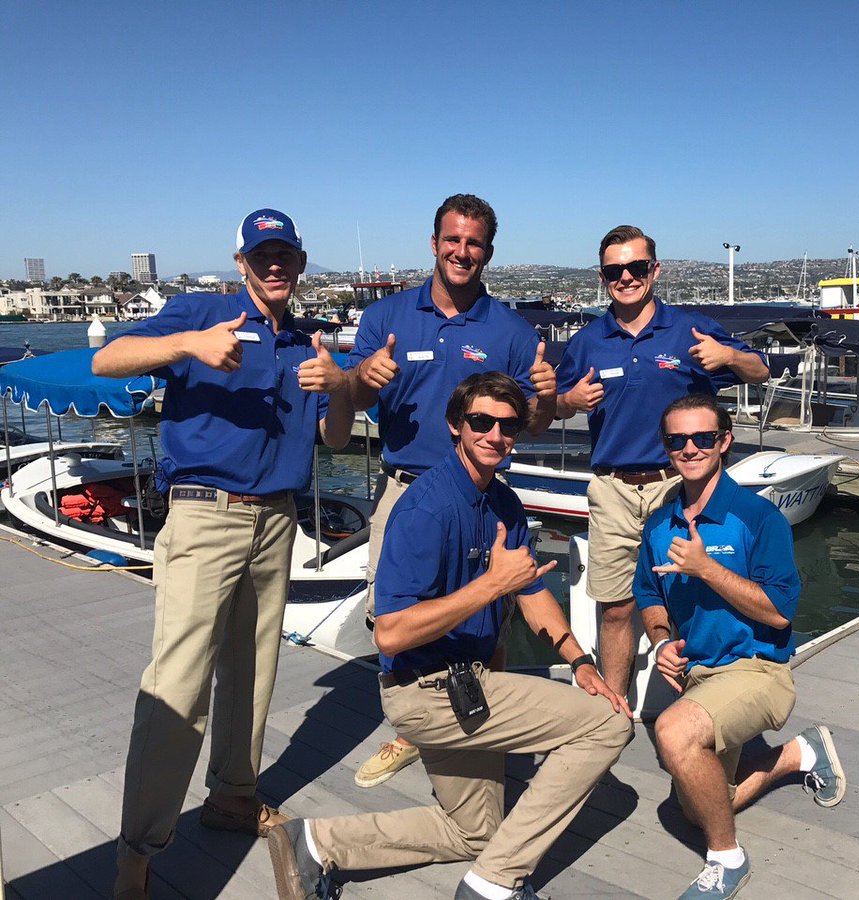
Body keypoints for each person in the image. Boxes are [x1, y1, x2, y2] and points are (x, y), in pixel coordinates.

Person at [268, 372, 632, 900]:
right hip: (427, 693)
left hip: (469, 685)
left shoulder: (503, 502)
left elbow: (528, 590)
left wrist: (579, 660)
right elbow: (390, 635)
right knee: (605, 725)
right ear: (455, 427)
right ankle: (496, 884)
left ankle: (318, 842)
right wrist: (489, 587)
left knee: (477, 832)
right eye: (480, 422)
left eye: (507, 426)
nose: (494, 435)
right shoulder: (425, 509)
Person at [96, 209, 354, 900]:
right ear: (242, 263)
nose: (275, 266)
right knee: (178, 686)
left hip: (277, 520)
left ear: (300, 265)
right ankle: (137, 852)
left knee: (252, 673)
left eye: (286, 256)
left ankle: (233, 796)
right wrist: (189, 345)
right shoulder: (201, 311)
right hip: (205, 516)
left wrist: (341, 391)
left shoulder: (308, 341)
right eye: (262, 255)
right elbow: (105, 359)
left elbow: (333, 438)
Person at [347, 193, 556, 787]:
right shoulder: (385, 318)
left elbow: (529, 424)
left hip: (484, 499)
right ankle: (414, 729)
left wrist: (543, 398)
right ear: (434, 242)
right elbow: (354, 399)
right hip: (405, 491)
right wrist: (361, 378)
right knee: (393, 619)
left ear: (488, 252)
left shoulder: (512, 331)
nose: (462, 252)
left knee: (491, 614)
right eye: (453, 240)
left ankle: (485, 726)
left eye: (475, 243)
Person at [634, 393, 846, 899]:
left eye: (702, 438)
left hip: (758, 670)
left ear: (724, 442)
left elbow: (779, 611)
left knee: (674, 733)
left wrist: (707, 568)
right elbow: (648, 594)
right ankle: (799, 754)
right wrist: (661, 639)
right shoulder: (659, 524)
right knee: (700, 806)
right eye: (676, 440)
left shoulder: (757, 518)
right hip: (699, 676)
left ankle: (727, 860)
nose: (689, 448)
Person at [556, 225, 770, 698]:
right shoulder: (587, 342)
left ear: (655, 270)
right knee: (614, 607)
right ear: (602, 275)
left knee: (690, 595)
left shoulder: (688, 330)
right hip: (613, 489)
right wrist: (567, 400)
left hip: (679, 486)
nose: (626, 277)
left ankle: (703, 701)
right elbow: (548, 404)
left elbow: (761, 370)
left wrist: (729, 354)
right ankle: (613, 710)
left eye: (636, 267)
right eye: (615, 270)